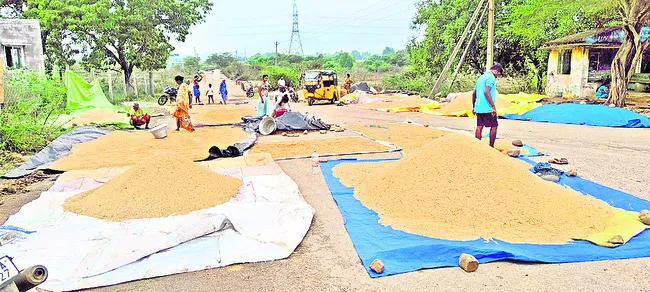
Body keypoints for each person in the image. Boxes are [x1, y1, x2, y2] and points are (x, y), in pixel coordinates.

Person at [472, 64, 503, 148]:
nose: (498, 76)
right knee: (494, 126)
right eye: (498, 74)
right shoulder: (491, 78)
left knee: (479, 126)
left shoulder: (481, 78)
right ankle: (491, 147)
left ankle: (477, 146)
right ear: (496, 71)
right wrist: (493, 106)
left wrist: (474, 106)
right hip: (487, 107)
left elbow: (474, 93)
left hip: (478, 106)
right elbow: (486, 92)